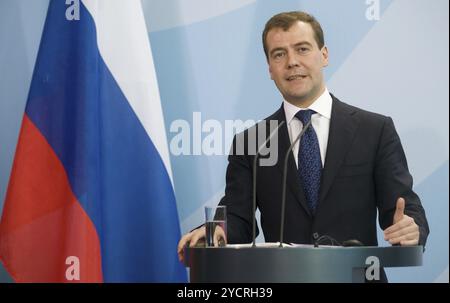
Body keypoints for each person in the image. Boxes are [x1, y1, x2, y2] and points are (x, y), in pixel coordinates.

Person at [178, 11, 429, 266]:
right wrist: (218, 231)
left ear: (324, 55)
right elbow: (238, 215)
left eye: (302, 49)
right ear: (269, 69)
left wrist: (411, 228)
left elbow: (403, 207)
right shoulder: (253, 141)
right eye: (279, 54)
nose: (292, 62)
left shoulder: (374, 130)